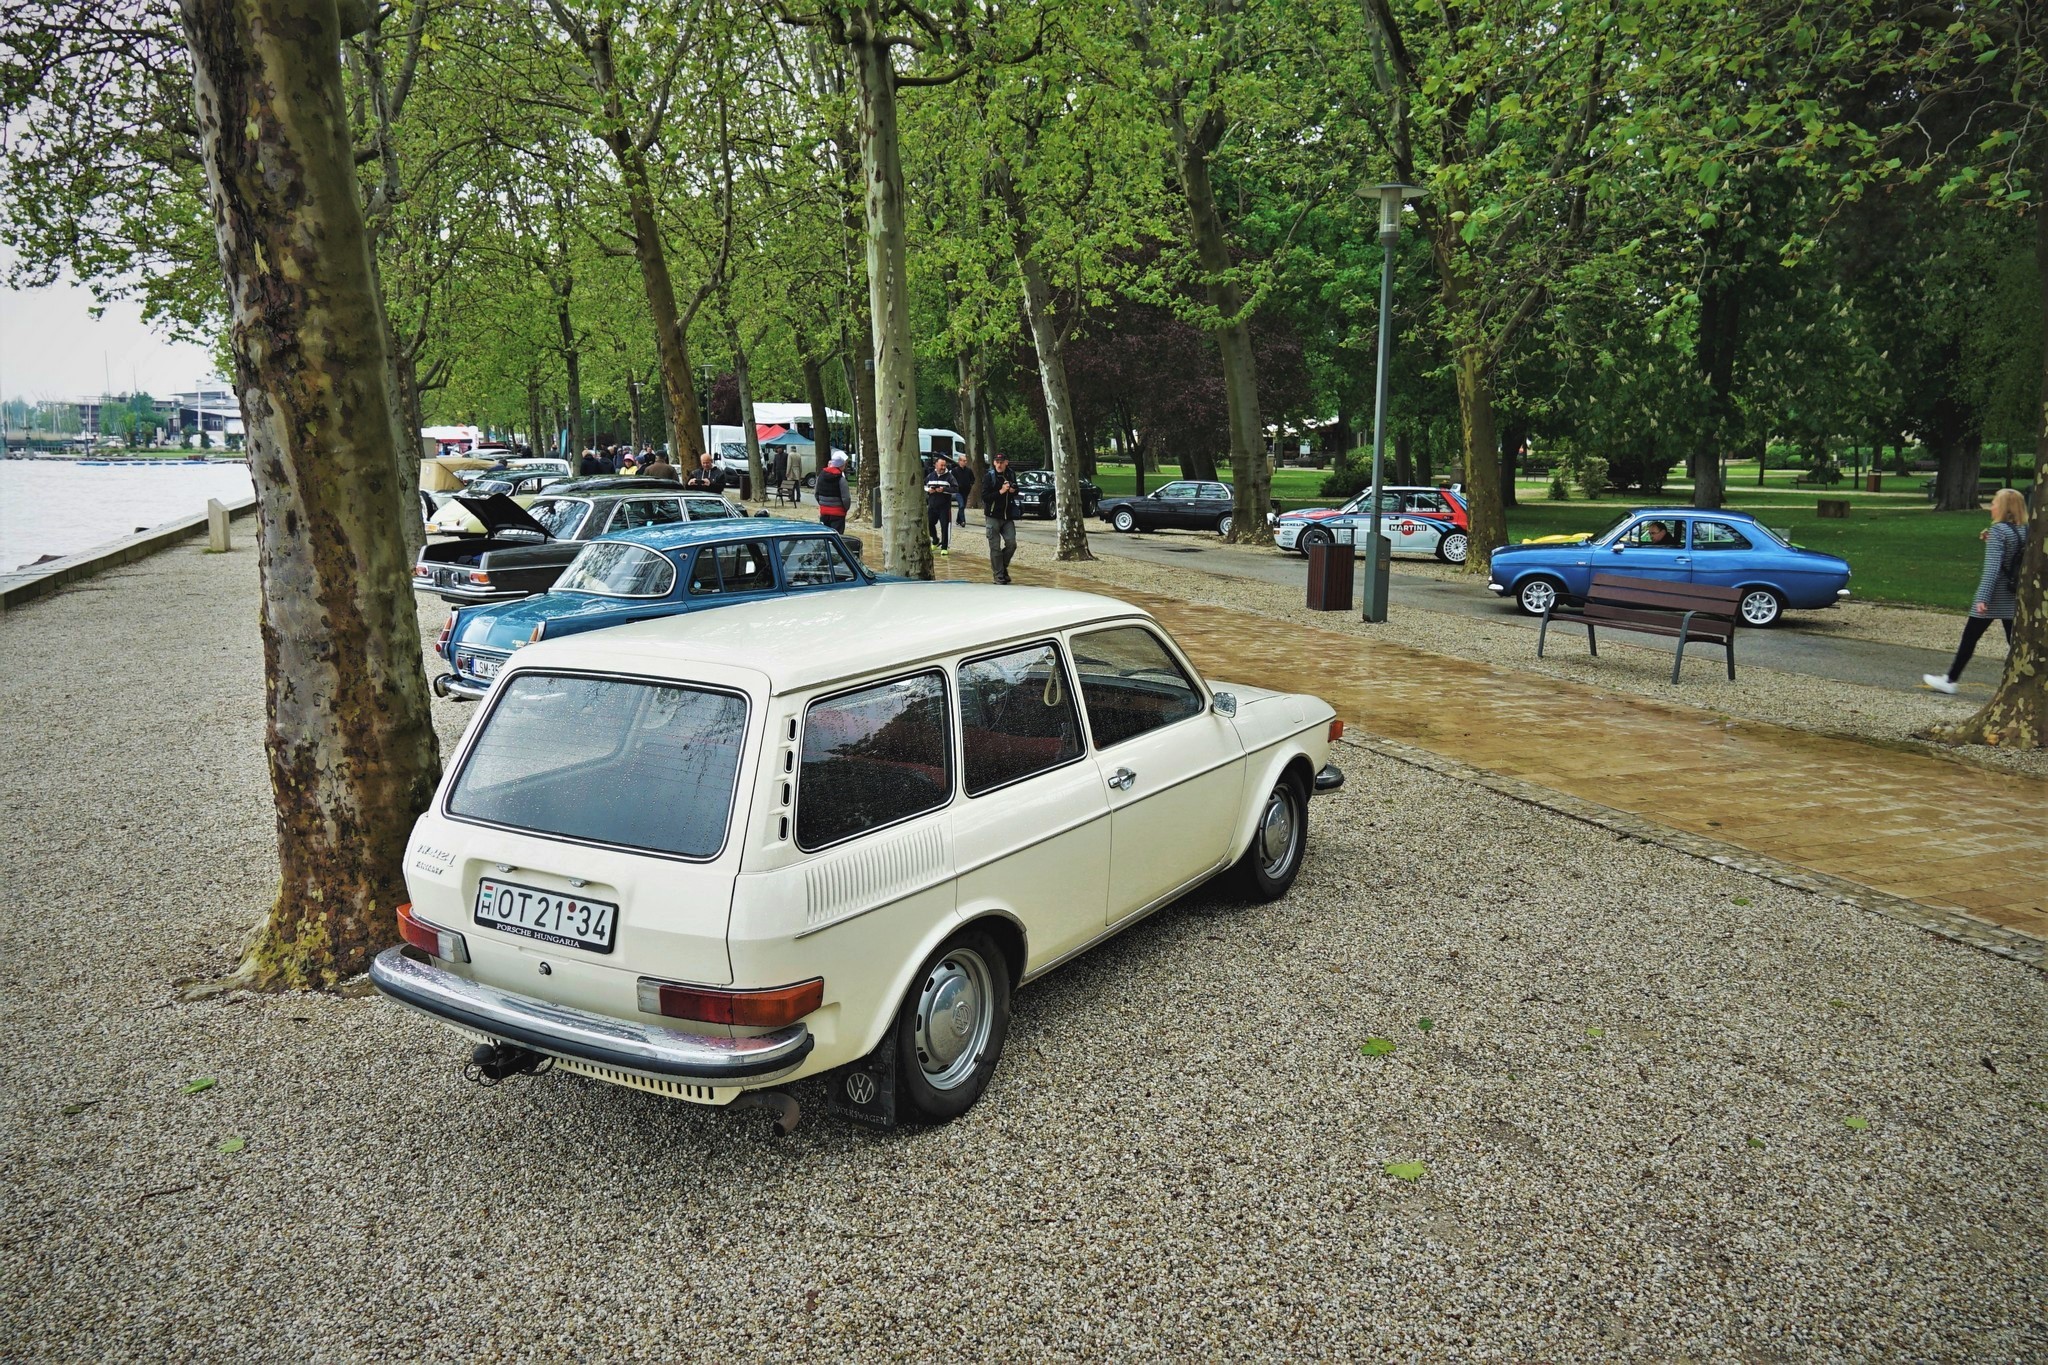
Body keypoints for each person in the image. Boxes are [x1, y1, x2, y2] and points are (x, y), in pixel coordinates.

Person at [1923, 487, 2029, 694]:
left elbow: (1992, 568)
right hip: (2014, 594)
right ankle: (2023, 680)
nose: (1992, 506)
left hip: (1994, 595)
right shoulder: (2025, 530)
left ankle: (1951, 679)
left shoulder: (1999, 531)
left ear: (2005, 508)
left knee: (1970, 637)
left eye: (1995, 503)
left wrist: (1982, 597)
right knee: (2015, 642)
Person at [981, 451, 1020, 584]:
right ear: (993, 463)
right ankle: (998, 575)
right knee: (995, 547)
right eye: (997, 462)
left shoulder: (1011, 474)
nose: (999, 465)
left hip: (1008, 516)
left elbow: (1016, 489)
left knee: (1011, 544)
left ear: (1006, 463)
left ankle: (1002, 568)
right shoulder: (989, 477)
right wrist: (1001, 492)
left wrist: (1014, 490)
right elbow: (985, 497)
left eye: (1002, 462)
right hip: (993, 516)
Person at [925, 458, 955, 556]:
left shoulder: (949, 477)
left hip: (944, 507)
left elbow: (956, 488)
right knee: (929, 523)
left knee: (944, 526)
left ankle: (944, 547)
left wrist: (944, 490)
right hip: (932, 505)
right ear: (936, 465)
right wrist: (928, 490)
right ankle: (935, 540)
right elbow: (923, 485)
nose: (943, 467)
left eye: (944, 465)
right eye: (941, 465)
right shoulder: (930, 475)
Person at [814, 454, 850, 533]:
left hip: (824, 512)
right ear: (841, 466)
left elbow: (816, 493)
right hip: (838, 513)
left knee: (825, 536)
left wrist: (822, 504)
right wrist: (845, 509)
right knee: (837, 537)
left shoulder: (820, 476)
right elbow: (846, 498)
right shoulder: (841, 480)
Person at [950, 456, 974, 527]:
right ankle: (963, 521)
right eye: (963, 461)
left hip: (966, 491)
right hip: (958, 491)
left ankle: (958, 519)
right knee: (961, 505)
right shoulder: (955, 470)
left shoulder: (969, 470)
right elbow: (951, 480)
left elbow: (972, 479)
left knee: (962, 506)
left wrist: (970, 485)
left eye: (965, 461)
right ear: (959, 461)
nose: (965, 462)